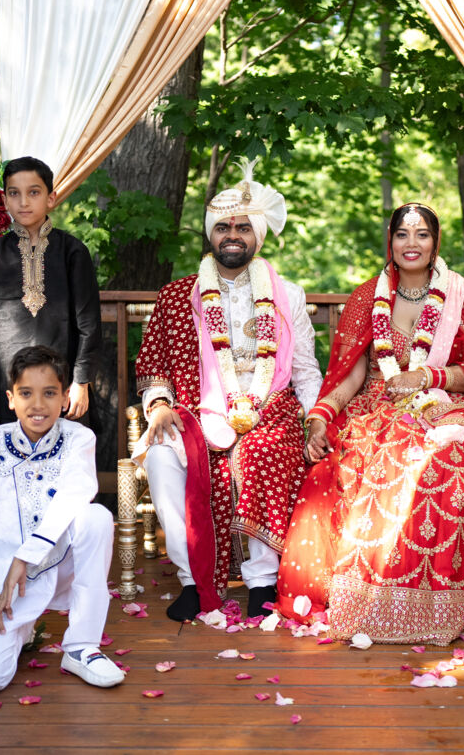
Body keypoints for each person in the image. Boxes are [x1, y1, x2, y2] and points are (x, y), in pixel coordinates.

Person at [279, 203, 464, 645]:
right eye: (402, 234)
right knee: (404, 463)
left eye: (422, 234)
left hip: (449, 402)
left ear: (435, 242)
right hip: (380, 405)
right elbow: (350, 374)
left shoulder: (461, 295)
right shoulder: (366, 297)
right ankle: (382, 600)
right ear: (390, 241)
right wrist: (321, 417)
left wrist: (427, 377)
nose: (412, 243)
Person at [133, 159, 322, 621]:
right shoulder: (177, 296)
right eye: (222, 227)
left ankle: (262, 582)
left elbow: (305, 370)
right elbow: (154, 364)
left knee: (261, 452)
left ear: (258, 236)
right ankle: (193, 582)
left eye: (242, 227)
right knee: (160, 456)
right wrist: (159, 406)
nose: (232, 235)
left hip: (271, 408)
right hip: (196, 410)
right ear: (210, 235)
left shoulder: (288, 294)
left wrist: (317, 420)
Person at [0, 345, 122, 693]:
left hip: (58, 564)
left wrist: (25, 556)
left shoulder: (79, 438)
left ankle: (81, 646)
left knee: (96, 518)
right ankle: (21, 629)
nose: (38, 404)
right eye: (26, 393)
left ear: (64, 398)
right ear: (10, 399)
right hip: (3, 583)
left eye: (49, 393)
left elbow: (75, 494)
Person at [0, 156, 101, 430]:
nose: (23, 202)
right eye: (14, 193)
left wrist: (81, 381)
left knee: (65, 450)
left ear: (51, 198)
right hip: (7, 384)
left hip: (63, 384)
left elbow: (89, 324)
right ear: (4, 201)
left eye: (33, 192)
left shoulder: (73, 252)